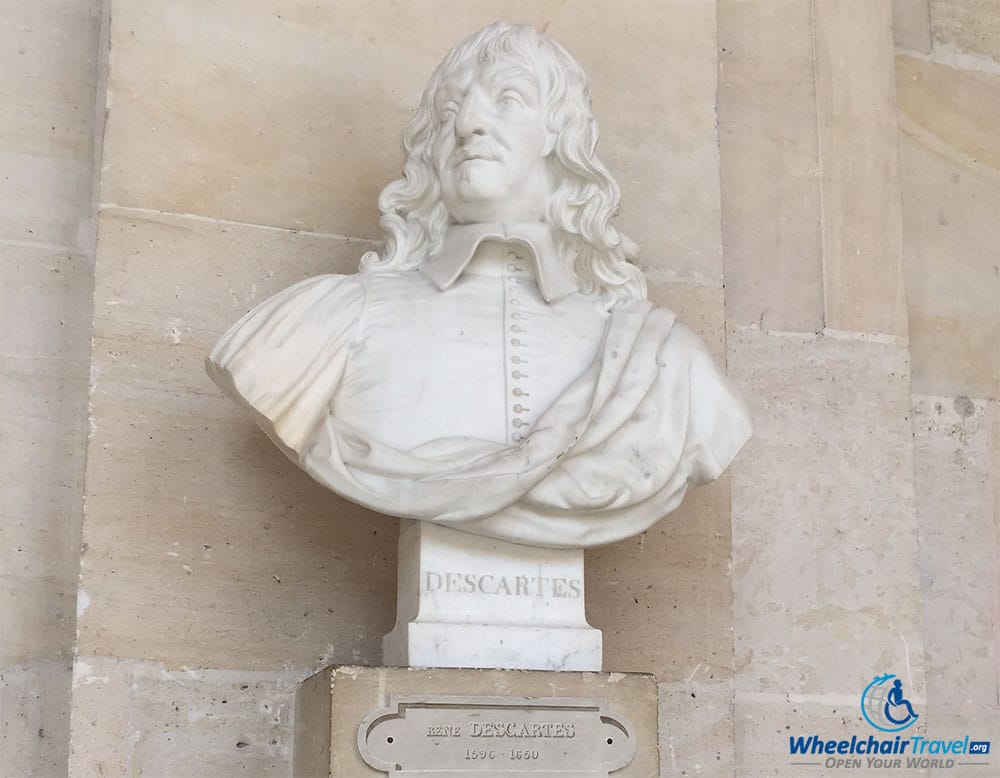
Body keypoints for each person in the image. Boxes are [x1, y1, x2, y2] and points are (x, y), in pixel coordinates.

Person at [206, 22, 752, 548]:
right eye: (448, 111)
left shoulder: (664, 362)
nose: (467, 123)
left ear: (560, 134)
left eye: (507, 99)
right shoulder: (326, 323)